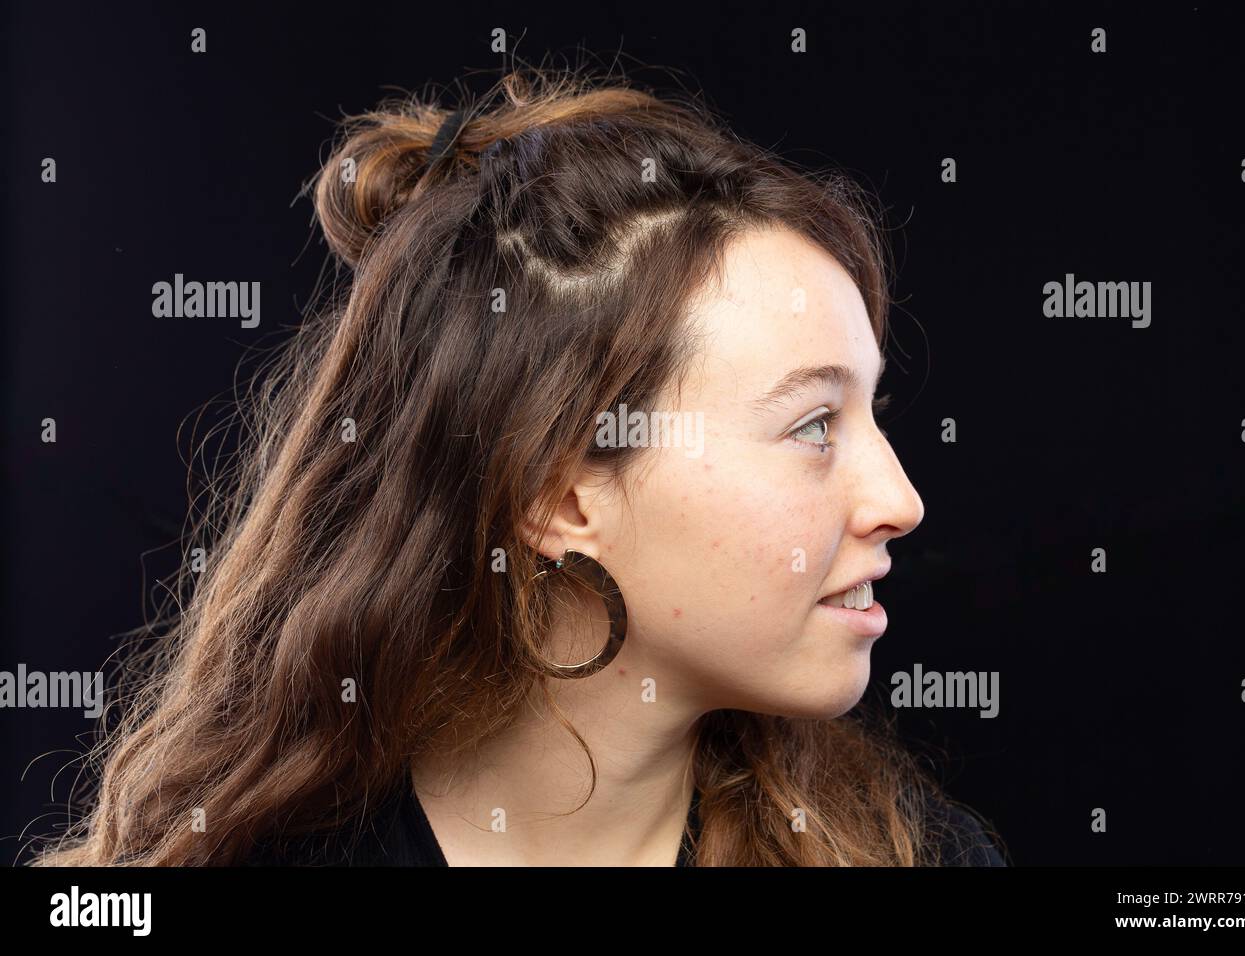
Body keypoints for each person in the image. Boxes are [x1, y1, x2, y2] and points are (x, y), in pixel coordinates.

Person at [30, 65, 1007, 867]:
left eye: (868, 411)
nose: (900, 499)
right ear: (559, 492)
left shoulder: (913, 854)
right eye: (810, 425)